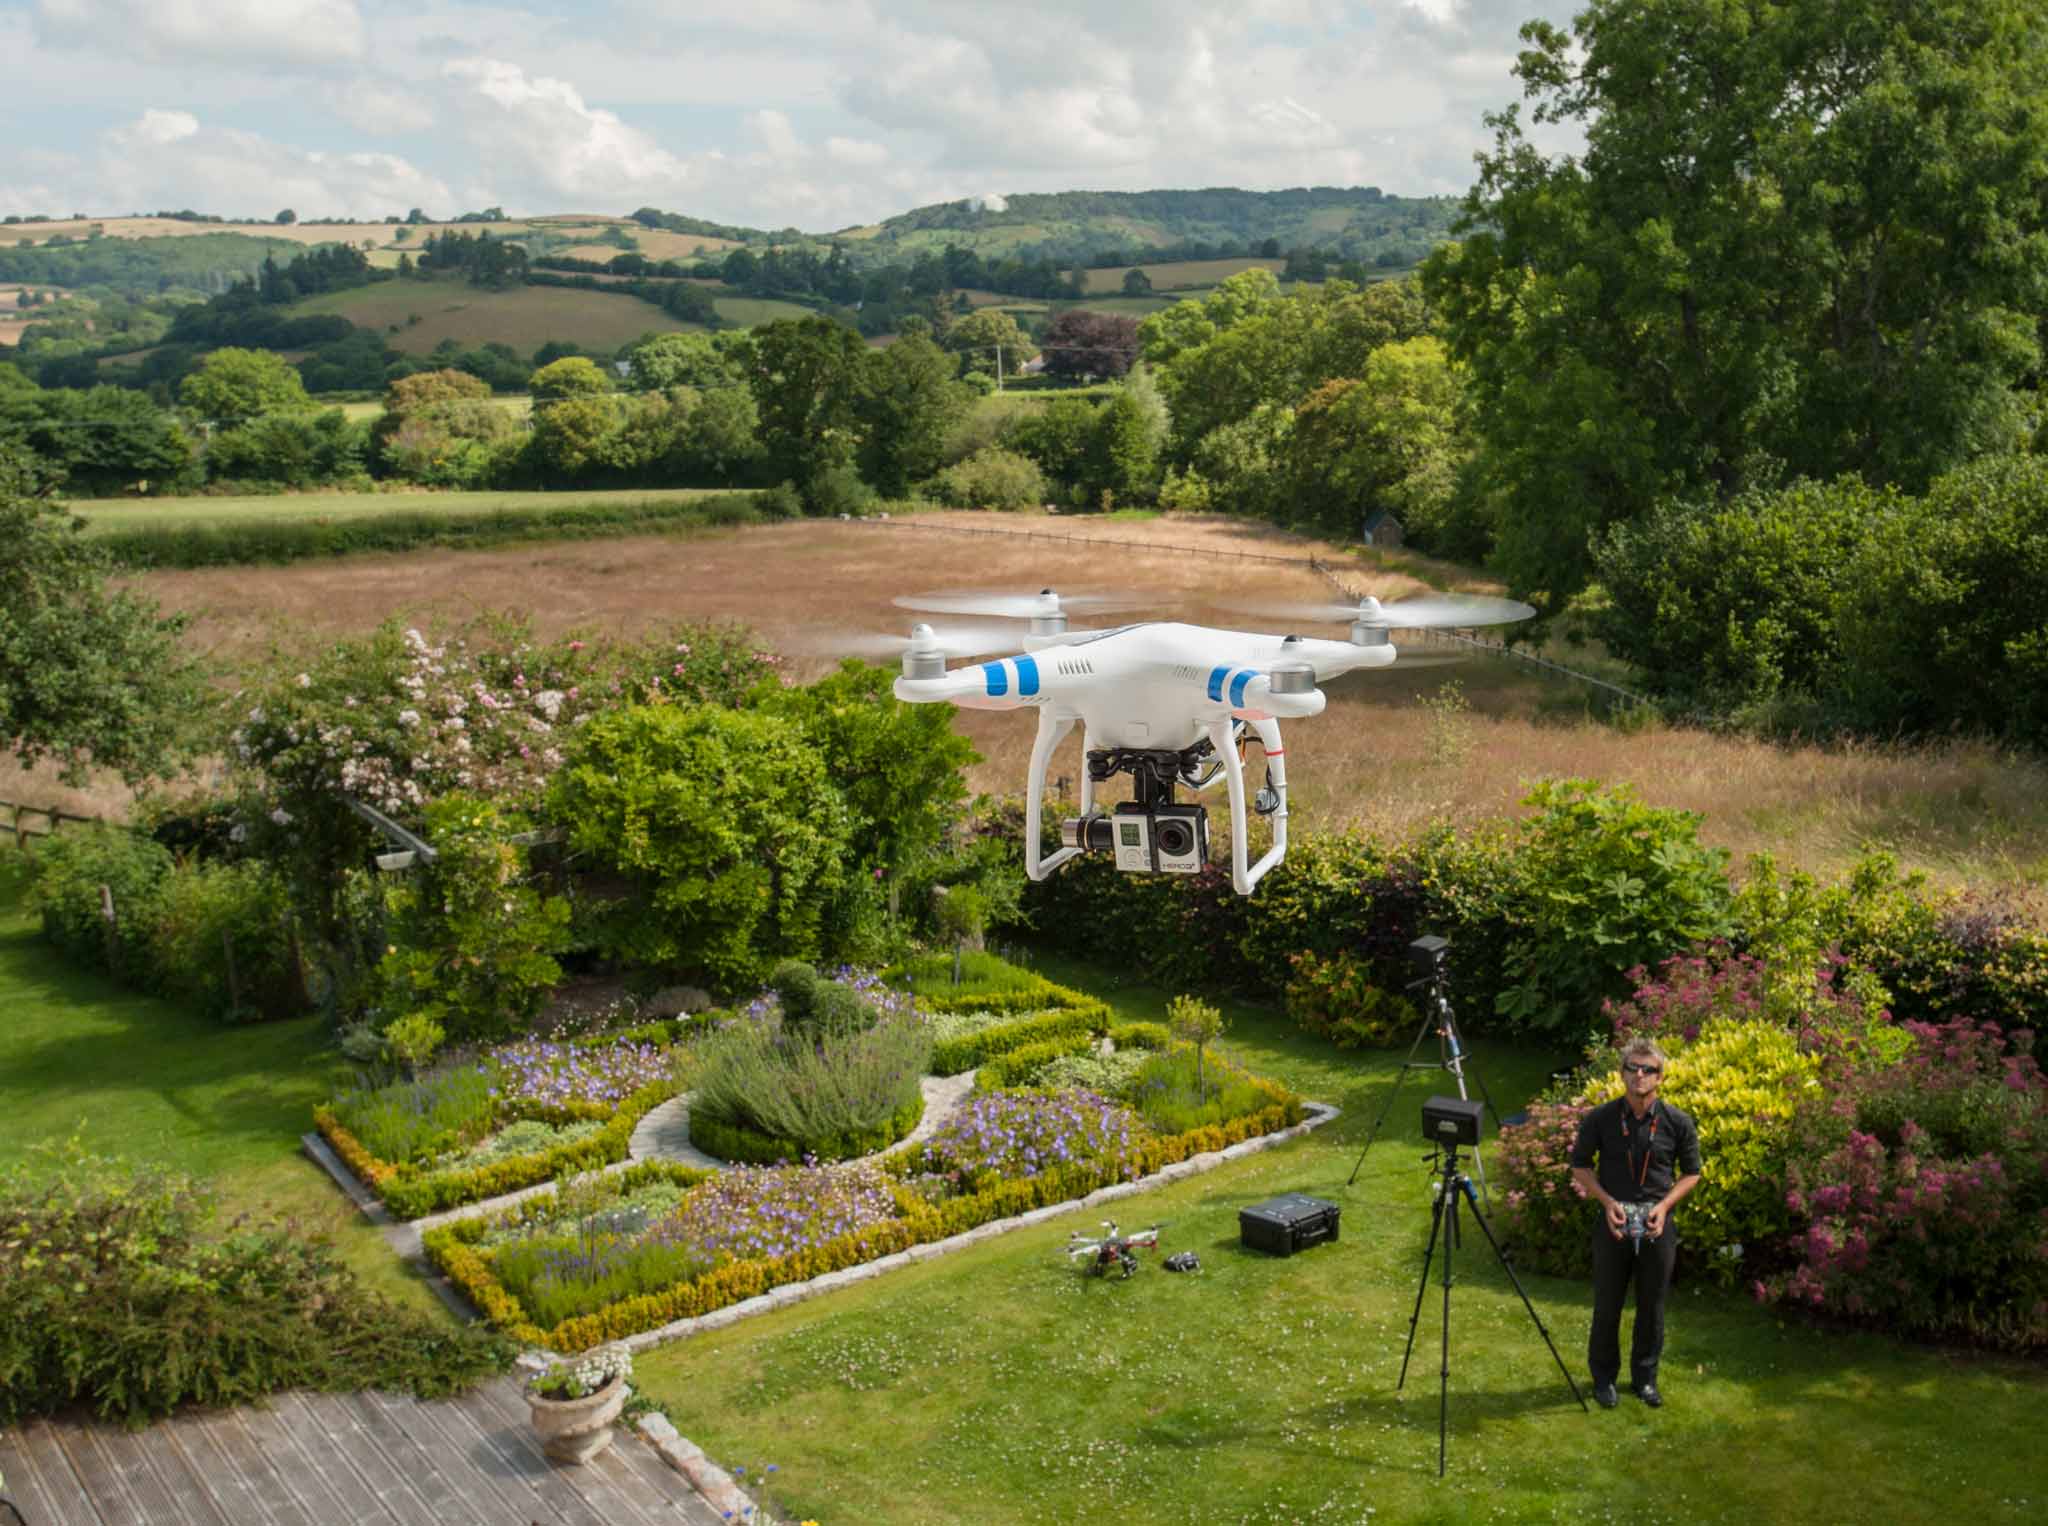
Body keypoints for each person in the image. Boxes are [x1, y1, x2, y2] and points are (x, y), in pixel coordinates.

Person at [1568, 1036, 1702, 1410]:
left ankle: (1645, 1379)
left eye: (1649, 1069)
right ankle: (1603, 1380)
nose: (1640, 1075)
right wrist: (1607, 1202)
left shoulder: (1677, 1121)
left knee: (1652, 1305)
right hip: (1613, 1222)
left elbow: (1692, 1173)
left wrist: (1663, 1207)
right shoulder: (1601, 1119)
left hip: (1658, 1226)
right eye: (1633, 1068)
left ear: (1660, 1077)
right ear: (1622, 1073)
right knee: (1607, 1304)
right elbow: (1580, 1166)